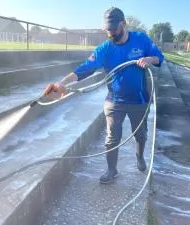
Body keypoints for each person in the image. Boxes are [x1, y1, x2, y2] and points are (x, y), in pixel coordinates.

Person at [43, 7, 164, 184]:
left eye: (113, 28)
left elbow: (159, 57)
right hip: (114, 100)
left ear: (123, 23)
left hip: (139, 99)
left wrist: (149, 60)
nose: (110, 32)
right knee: (111, 138)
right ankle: (112, 170)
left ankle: (139, 157)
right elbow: (84, 69)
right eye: (107, 29)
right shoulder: (105, 48)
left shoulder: (141, 39)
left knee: (141, 134)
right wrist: (62, 83)